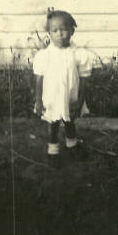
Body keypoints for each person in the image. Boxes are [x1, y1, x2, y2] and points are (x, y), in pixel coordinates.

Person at [33, 9, 95, 168]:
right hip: (52, 97)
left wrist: (80, 101)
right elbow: (39, 79)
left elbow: (84, 80)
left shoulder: (79, 54)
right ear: (49, 33)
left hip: (71, 96)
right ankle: (53, 150)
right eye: (54, 30)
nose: (60, 34)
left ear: (72, 31)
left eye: (64, 29)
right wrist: (38, 101)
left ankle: (72, 145)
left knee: (70, 121)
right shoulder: (44, 55)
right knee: (53, 123)